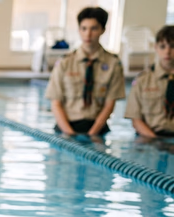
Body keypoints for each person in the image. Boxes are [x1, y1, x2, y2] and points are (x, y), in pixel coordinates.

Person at [45, 7, 125, 136]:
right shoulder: (65, 62)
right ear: (79, 30)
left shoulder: (113, 64)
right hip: (66, 126)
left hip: (97, 128)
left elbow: (109, 105)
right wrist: (69, 134)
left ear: (103, 30)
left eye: (94, 28)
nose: (88, 34)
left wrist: (92, 135)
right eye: (84, 28)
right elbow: (56, 102)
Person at [125, 26, 174, 138]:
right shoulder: (142, 80)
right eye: (162, 47)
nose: (167, 51)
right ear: (156, 47)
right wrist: (155, 141)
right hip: (149, 138)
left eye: (172, 46)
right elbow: (136, 120)